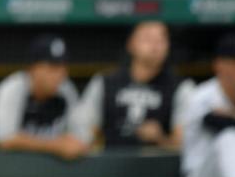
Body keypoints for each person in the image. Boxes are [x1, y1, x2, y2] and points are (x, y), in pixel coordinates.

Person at [76, 21, 194, 149]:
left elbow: (186, 147)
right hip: (112, 162)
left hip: (161, 165)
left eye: (161, 39)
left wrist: (160, 138)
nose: (155, 45)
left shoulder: (182, 87)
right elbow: (81, 136)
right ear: (131, 43)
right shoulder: (104, 82)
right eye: (148, 38)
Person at [0, 34, 89, 160]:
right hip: (9, 170)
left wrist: (77, 143)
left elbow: (82, 138)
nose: (60, 74)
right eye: (53, 67)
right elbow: (4, 139)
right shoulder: (12, 88)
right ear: (32, 68)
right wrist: (56, 146)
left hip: (51, 172)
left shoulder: (66, 90)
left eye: (63, 67)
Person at [182, 33, 235, 177]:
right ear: (219, 65)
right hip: (201, 176)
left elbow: (232, 121)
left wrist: (233, 117)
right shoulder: (200, 95)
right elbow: (216, 121)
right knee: (230, 137)